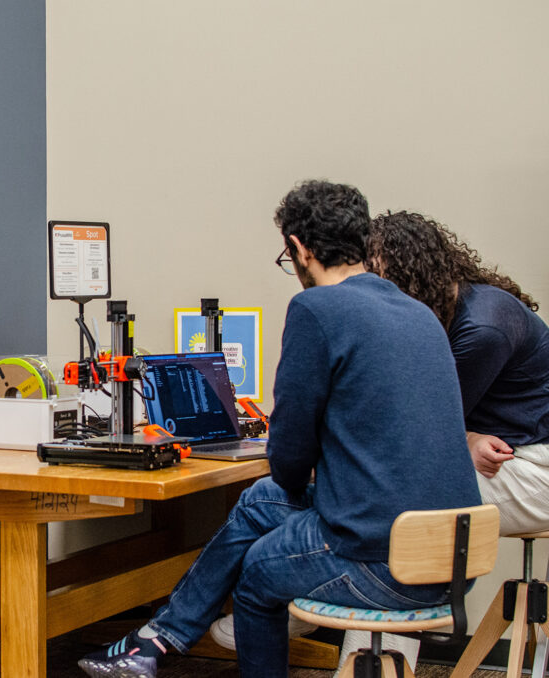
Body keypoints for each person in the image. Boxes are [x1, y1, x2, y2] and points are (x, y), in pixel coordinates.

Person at [77, 181, 482, 678]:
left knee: (255, 577)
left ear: (300, 249)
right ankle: (155, 640)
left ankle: (158, 640)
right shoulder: (419, 315)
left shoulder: (316, 310)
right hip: (456, 555)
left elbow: (290, 460)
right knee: (257, 502)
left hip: (385, 561)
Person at [335, 211, 549, 672]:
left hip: (536, 468)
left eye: (375, 275)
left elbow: (414, 424)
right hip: (508, 456)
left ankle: (370, 660)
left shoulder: (481, 329)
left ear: (408, 272)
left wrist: (459, 434)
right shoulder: (453, 312)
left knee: (404, 510)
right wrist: (467, 435)